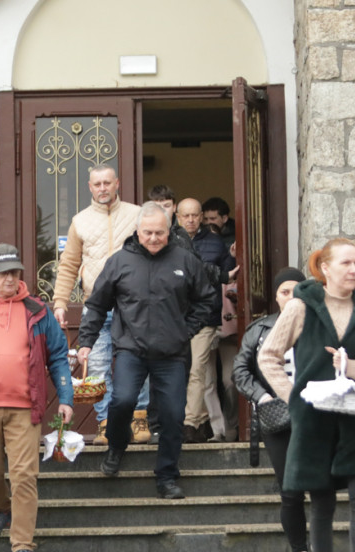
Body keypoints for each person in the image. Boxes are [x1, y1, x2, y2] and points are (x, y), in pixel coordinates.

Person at [258, 239, 355, 552]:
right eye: (347, 263)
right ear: (326, 269)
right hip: (315, 420)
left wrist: (351, 368)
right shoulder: (301, 307)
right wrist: (295, 398)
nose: (354, 270)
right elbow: (268, 356)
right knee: (321, 498)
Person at [78, 202, 214, 499]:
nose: (153, 238)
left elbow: (206, 300)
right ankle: (116, 444)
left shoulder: (186, 260)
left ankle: (166, 476)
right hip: (131, 350)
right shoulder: (119, 262)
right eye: (148, 232)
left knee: (172, 415)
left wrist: (185, 330)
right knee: (122, 401)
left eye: (160, 233)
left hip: (172, 354)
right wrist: (86, 341)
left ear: (169, 231)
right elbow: (97, 304)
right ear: (137, 231)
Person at [0, 244, 73, 552]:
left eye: (15, 272)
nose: (10, 279)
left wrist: (67, 398)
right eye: (3, 273)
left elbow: (58, 354)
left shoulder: (37, 310)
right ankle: (1, 509)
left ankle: (23, 545)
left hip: (25, 408)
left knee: (25, 477)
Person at [52, 164, 148, 446]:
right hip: (96, 305)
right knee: (96, 365)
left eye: (108, 183)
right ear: (90, 187)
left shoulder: (136, 215)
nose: (103, 188)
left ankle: (138, 418)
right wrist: (60, 301)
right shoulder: (80, 221)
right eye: (97, 184)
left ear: (117, 183)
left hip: (132, 303)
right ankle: (106, 423)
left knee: (139, 360)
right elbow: (68, 264)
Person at [233, 267, 314, 552]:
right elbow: (241, 371)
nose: (291, 297)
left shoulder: (317, 327)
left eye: (297, 291)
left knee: (318, 486)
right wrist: (262, 398)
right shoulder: (259, 329)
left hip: (313, 413)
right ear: (277, 296)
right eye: (284, 291)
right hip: (277, 417)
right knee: (290, 487)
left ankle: (318, 547)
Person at [177, 197, 235, 443]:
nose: (190, 220)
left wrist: (232, 258)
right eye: (185, 215)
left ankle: (189, 423)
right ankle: (201, 422)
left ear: (201, 216)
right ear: (178, 218)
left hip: (206, 316)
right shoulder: (168, 241)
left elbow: (228, 276)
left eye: (195, 215)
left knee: (198, 369)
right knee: (180, 371)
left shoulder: (215, 243)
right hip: (175, 317)